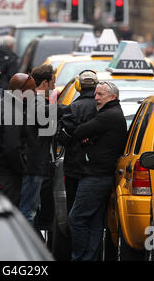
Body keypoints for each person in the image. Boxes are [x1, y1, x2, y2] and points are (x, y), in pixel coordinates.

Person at [68, 81, 127, 261]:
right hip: (100, 174)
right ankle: (90, 258)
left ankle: (80, 258)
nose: (96, 98)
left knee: (76, 219)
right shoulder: (111, 114)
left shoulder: (108, 116)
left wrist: (87, 137)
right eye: (95, 94)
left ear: (112, 97)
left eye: (100, 94)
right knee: (93, 221)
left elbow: (79, 132)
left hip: (96, 176)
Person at [57, 70, 98, 258]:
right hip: (98, 170)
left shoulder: (72, 108)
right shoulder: (102, 107)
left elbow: (63, 138)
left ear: (78, 87)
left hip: (74, 168)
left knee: (74, 214)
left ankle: (77, 253)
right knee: (95, 216)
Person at [0, 73, 36, 206]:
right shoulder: (13, 112)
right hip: (5, 174)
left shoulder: (1, 104)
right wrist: (23, 170)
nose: (35, 93)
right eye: (32, 90)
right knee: (7, 213)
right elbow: (12, 148)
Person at [19, 64, 56, 225]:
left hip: (33, 164)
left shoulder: (33, 101)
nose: (54, 86)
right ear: (45, 83)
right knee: (28, 212)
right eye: (53, 83)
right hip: (34, 165)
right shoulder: (38, 103)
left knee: (30, 210)